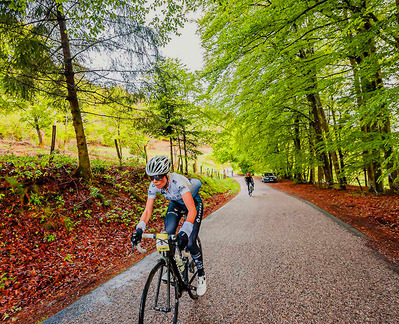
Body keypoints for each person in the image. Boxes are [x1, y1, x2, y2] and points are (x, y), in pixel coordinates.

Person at [132, 155, 206, 296]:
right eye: (152, 177)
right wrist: (139, 228)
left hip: (193, 204)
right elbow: (148, 210)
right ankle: (174, 264)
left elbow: (192, 211)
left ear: (166, 175)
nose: (155, 181)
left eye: (159, 177)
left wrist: (185, 231)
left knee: (190, 242)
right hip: (176, 204)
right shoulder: (154, 185)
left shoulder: (177, 182)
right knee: (168, 234)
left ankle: (201, 275)